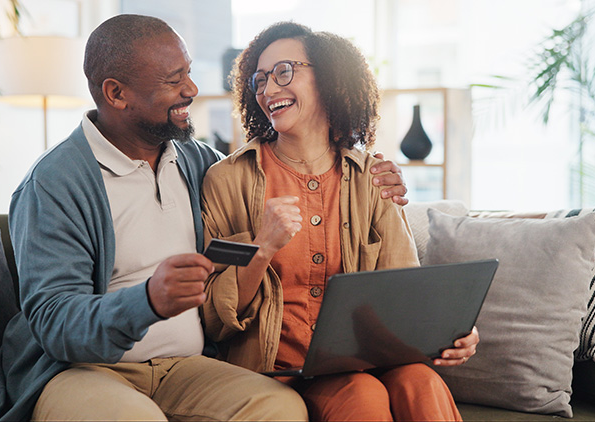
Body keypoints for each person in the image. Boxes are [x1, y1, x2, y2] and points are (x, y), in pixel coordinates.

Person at [0, 15, 408, 421]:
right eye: (174, 80)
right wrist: (147, 301)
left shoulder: (197, 162)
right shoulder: (55, 183)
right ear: (116, 93)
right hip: (83, 370)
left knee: (280, 409)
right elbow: (55, 321)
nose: (192, 89)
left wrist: (372, 171)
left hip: (185, 367)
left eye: (188, 72)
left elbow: (268, 172)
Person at [201, 22, 478, 421]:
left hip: (364, 360)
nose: (268, 91)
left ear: (329, 78)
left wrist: (452, 333)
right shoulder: (228, 180)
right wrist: (263, 247)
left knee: (422, 382)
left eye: (283, 72)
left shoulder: (373, 177)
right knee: (360, 393)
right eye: (260, 80)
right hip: (277, 371)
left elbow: (403, 288)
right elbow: (215, 317)